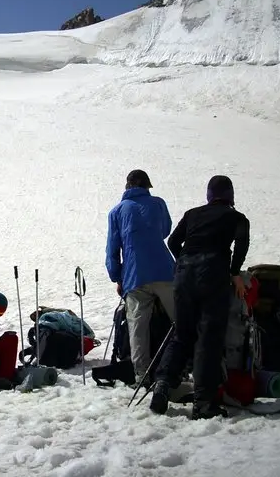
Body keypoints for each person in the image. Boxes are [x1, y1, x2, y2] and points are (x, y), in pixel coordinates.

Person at [150, 175, 250, 419]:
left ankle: (162, 386)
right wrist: (234, 271)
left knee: (182, 334)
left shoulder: (192, 214)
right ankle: (203, 403)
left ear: (208, 195)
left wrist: (184, 262)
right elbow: (242, 243)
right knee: (208, 338)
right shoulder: (236, 217)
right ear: (230, 196)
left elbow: (172, 241)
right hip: (213, 275)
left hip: (184, 276)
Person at [106, 169, 176, 383]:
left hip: (135, 276)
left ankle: (142, 374)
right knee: (182, 321)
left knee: (137, 326)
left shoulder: (117, 211)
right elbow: (165, 230)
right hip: (165, 271)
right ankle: (186, 365)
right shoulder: (158, 203)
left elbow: (112, 249)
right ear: (147, 186)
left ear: (127, 187)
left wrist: (117, 278)